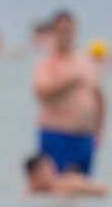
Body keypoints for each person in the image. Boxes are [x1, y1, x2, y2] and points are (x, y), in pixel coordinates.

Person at [32, 10, 105, 175]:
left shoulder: (86, 60)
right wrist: (69, 81)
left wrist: (99, 130)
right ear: (53, 32)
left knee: (82, 186)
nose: (65, 35)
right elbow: (41, 93)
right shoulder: (46, 62)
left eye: (68, 30)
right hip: (56, 134)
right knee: (56, 185)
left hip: (85, 137)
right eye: (61, 30)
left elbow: (99, 97)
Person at [23, 153, 107, 196]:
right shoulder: (30, 190)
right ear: (32, 176)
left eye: (51, 169)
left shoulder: (69, 183)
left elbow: (102, 190)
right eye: (45, 173)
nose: (51, 173)